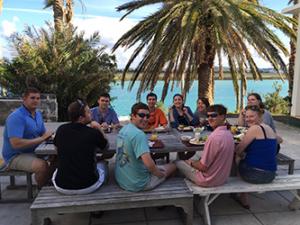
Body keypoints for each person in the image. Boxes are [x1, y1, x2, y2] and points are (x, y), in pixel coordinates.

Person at [115, 102, 176, 192]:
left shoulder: (124, 129)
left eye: (147, 116)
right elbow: (150, 165)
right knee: (174, 165)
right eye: (141, 115)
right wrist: (161, 175)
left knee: (160, 166)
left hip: (122, 180)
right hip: (139, 183)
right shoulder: (139, 134)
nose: (145, 119)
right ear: (133, 115)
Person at [52, 99, 109, 194]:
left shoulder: (61, 129)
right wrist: (99, 128)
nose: (91, 113)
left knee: (57, 169)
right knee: (103, 164)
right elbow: (106, 148)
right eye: (88, 112)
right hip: (88, 186)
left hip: (61, 186)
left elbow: (56, 149)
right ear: (81, 117)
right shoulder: (93, 133)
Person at [2, 87, 53, 187]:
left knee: (58, 158)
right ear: (24, 99)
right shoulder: (16, 117)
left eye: (38, 98)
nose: (36, 101)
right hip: (15, 156)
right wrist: (41, 139)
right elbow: (16, 144)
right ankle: (42, 189)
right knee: (42, 166)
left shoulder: (37, 114)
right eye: (32, 98)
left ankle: (47, 182)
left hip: (33, 151)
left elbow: (43, 133)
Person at [235, 105, 283, 208]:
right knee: (247, 156)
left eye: (252, 116)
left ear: (260, 116)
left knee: (237, 157)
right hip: (271, 175)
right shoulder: (268, 128)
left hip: (256, 175)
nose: (248, 119)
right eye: (246, 117)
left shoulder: (254, 129)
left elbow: (238, 150)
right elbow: (280, 140)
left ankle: (244, 197)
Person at [175, 104, 235, 187]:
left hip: (208, 180)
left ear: (222, 117)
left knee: (177, 162)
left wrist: (190, 162)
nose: (210, 118)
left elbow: (203, 167)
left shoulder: (214, 138)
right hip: (222, 178)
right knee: (195, 158)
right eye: (208, 116)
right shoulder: (229, 134)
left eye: (213, 115)